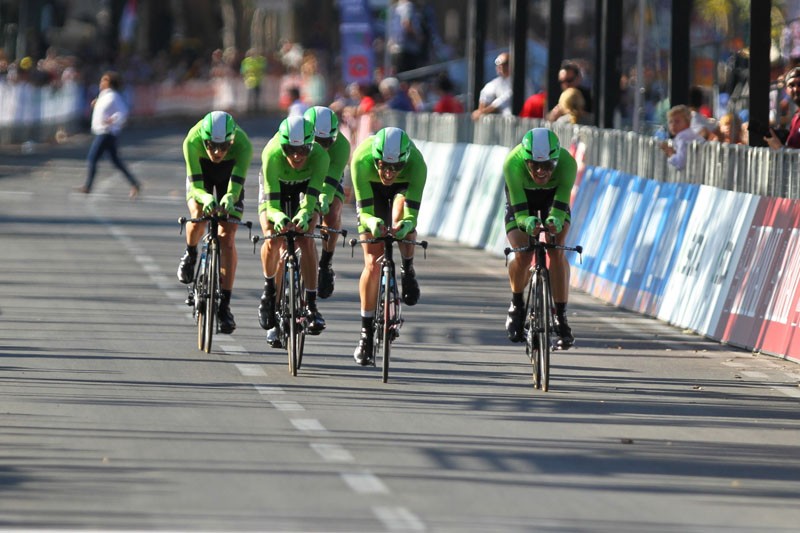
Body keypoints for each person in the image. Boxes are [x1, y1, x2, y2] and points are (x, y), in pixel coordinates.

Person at [351, 127, 427, 366]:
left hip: (401, 193)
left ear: (404, 162)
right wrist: (372, 222)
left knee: (399, 218)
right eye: (383, 165)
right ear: (375, 159)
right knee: (372, 263)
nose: (389, 172)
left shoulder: (417, 164)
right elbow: (364, 213)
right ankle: (365, 333)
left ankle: (407, 268)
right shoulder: (361, 160)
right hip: (372, 194)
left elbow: (411, 216)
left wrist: (404, 227)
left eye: (396, 167)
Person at [257, 115, 333, 347]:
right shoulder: (271, 154)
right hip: (276, 188)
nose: (297, 156)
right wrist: (280, 216)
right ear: (282, 145)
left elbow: (311, 199)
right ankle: (270, 292)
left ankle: (310, 304)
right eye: (290, 149)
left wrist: (304, 214)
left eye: (303, 150)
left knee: (307, 238)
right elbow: (271, 205)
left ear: (312, 145)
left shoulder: (320, 156)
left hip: (304, 187)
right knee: (273, 236)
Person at [176, 111, 253, 334]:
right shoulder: (191, 140)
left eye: (224, 146)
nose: (218, 152)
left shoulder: (243, 144)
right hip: (203, 176)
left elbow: (236, 186)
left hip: (229, 176)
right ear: (203, 140)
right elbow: (197, 187)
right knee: (199, 212)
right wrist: (207, 197)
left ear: (232, 141)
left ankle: (225, 307)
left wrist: (230, 196)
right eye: (211, 145)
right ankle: (190, 253)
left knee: (227, 237)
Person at [504, 128, 577, 349]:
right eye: (534, 164)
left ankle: (561, 317)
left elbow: (560, 204)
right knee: (523, 253)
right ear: (525, 159)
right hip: (523, 199)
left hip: (551, 198)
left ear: (556, 159)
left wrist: (554, 220)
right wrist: (527, 223)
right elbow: (520, 214)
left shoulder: (567, 163)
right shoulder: (512, 163)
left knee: (556, 248)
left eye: (547, 165)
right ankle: (517, 304)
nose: (540, 170)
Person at [303, 105, 351, 299]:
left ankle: (325, 262)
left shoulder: (342, 146)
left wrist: (323, 198)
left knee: (332, 212)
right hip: (302, 172)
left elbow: (330, 186)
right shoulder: (296, 138)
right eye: (316, 141)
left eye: (326, 142)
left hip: (327, 176)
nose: (321, 147)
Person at [78, 71, 141, 198]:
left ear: (110, 83)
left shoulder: (113, 96)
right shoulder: (103, 95)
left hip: (107, 132)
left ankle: (88, 186)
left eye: (104, 80)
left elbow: (122, 112)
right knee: (115, 161)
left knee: (92, 158)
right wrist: (96, 104)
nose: (101, 83)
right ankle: (134, 183)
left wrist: (113, 119)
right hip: (102, 131)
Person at [658, 104, 705, 170]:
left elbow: (680, 163)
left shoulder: (683, 136)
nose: (673, 125)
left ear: (688, 122)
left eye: (677, 121)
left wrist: (669, 152)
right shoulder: (689, 134)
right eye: (670, 122)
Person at [766, 66, 800, 150]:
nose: (796, 89)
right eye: (791, 85)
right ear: (786, 91)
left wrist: (781, 148)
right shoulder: (796, 117)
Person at [472, 52, 512, 120]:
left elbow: (504, 100)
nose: (501, 67)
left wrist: (483, 112)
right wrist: (481, 111)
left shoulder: (522, 82)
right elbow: (485, 96)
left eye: (505, 64)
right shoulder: (495, 83)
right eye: (498, 65)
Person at [240, 48, 266, 113]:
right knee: (249, 96)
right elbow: (243, 70)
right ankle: (249, 109)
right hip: (249, 81)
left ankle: (257, 109)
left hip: (258, 81)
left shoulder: (260, 60)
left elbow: (263, 68)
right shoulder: (246, 61)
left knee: (257, 96)